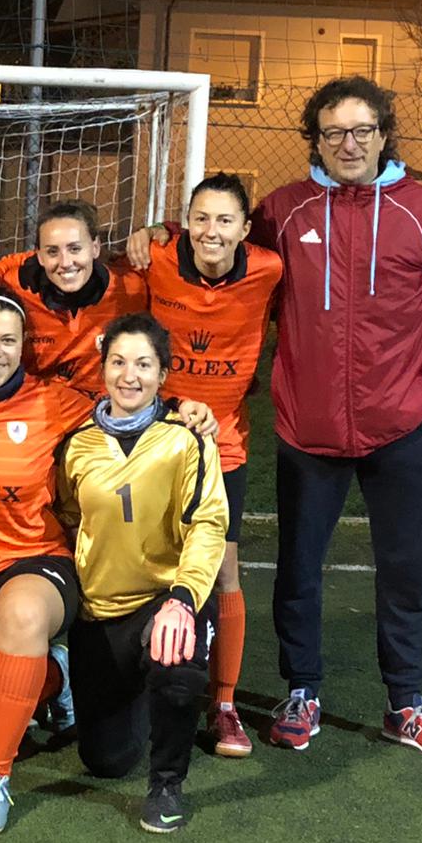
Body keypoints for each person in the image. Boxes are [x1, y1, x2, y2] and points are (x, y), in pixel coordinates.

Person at [132, 77, 422, 757]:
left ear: (384, 134)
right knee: (299, 571)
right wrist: (159, 234)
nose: (349, 144)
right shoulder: (285, 209)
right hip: (309, 428)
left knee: (405, 571)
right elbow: (220, 240)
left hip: (404, 425)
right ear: (315, 141)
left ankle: (406, 703)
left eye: (362, 130)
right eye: (333, 133)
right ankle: (302, 691)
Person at [56, 313, 229, 834]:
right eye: (118, 362)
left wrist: (184, 598)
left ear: (163, 374)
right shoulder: (76, 444)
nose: (129, 376)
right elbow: (69, 518)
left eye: (143, 365)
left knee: (176, 656)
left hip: (165, 599)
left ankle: (167, 784)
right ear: (103, 367)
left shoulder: (187, 438)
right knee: (105, 760)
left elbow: (209, 523)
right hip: (102, 611)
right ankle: (131, 688)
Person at [138, 173, 282, 757]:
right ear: (186, 223)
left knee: (223, 571)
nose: (211, 231)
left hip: (222, 448)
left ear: (245, 229)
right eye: (200, 218)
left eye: (225, 220)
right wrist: (155, 229)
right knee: (143, 562)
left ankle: (223, 705)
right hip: (153, 441)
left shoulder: (269, 269)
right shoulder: (156, 258)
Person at [0, 200, 148, 395]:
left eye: (75, 249)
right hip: (34, 406)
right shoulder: (10, 288)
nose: (65, 262)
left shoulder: (131, 290)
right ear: (39, 255)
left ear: (95, 247)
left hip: (102, 409)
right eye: (52, 251)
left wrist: (156, 229)